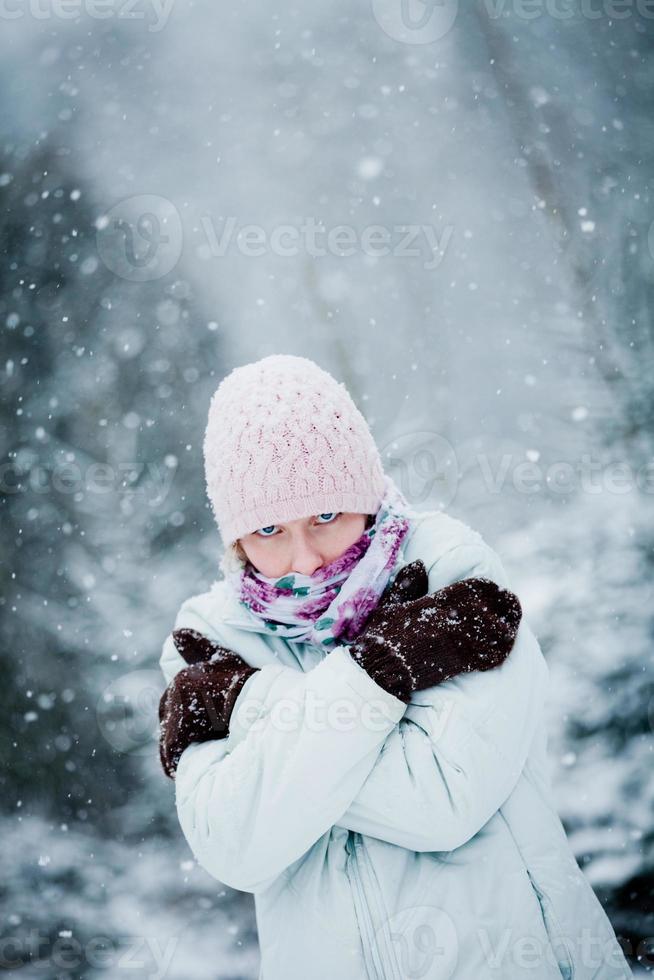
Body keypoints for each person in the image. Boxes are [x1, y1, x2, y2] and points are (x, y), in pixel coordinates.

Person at [157, 354, 632, 980]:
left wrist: (253, 706)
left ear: (362, 493)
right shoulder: (208, 638)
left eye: (324, 515)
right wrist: (379, 676)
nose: (303, 559)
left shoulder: (451, 576)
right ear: (238, 538)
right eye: (269, 528)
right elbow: (234, 847)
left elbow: (439, 800)